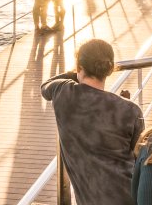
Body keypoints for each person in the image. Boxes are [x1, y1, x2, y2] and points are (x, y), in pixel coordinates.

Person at [41, 39, 144, 205]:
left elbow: (46, 86)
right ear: (110, 69)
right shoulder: (130, 110)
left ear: (79, 67)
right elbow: (140, 158)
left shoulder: (62, 92)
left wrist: (73, 74)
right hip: (130, 197)